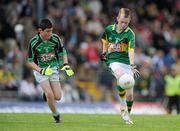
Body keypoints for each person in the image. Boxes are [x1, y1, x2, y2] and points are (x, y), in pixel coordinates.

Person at [27, 19, 74, 123]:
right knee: (50, 94)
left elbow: (63, 52)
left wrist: (66, 64)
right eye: (48, 31)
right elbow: (30, 62)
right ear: (40, 30)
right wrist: (41, 70)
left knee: (57, 96)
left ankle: (47, 94)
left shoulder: (55, 38)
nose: (50, 33)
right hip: (40, 70)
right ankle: (56, 115)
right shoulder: (33, 42)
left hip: (53, 68)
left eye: (51, 31)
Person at [100, 8, 141, 124]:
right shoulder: (108, 29)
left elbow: (131, 50)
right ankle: (122, 107)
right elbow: (105, 40)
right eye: (122, 21)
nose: (123, 24)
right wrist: (104, 52)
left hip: (127, 63)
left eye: (126, 22)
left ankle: (127, 114)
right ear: (117, 18)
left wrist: (132, 65)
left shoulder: (130, 34)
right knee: (121, 76)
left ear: (129, 21)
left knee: (130, 95)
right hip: (113, 60)